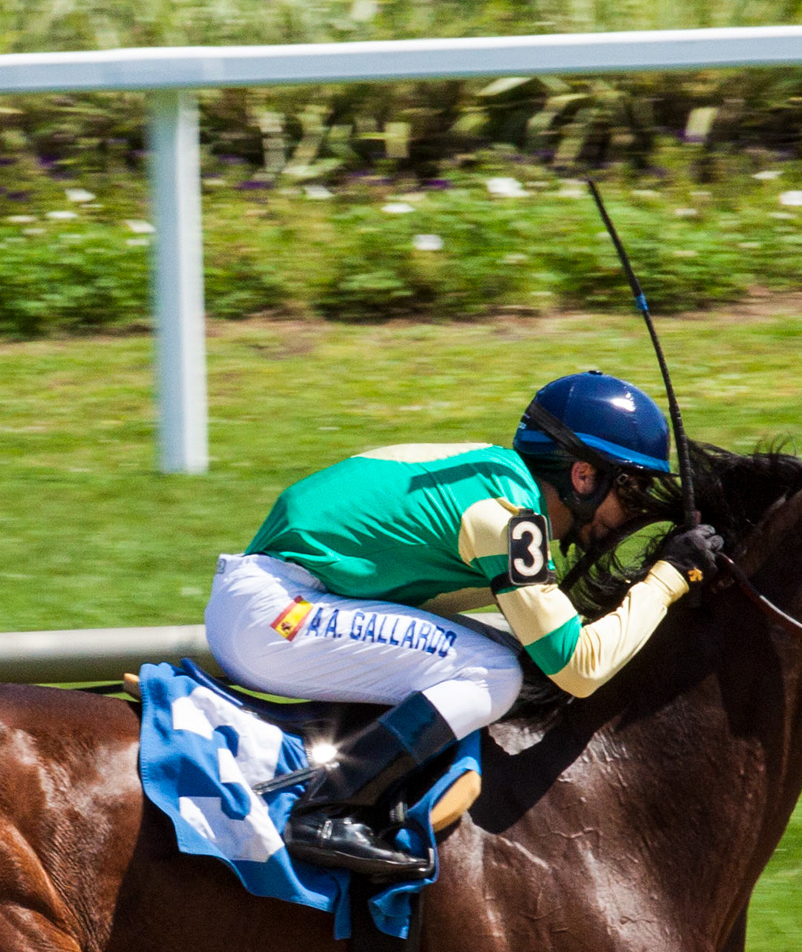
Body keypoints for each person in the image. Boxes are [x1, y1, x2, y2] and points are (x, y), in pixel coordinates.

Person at [204, 370, 733, 879]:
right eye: (633, 492)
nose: (633, 515)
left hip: (272, 603)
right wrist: (668, 579)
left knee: (510, 657)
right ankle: (330, 807)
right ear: (583, 475)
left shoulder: (496, 477)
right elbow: (579, 666)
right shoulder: (507, 516)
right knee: (494, 673)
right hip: (277, 615)